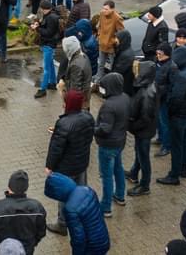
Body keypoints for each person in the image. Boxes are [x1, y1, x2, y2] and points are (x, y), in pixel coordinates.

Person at [45, 89, 94, 235]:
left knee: (64, 195)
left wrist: (49, 166)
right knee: (81, 192)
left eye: (65, 102)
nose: (63, 104)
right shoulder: (88, 118)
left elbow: (56, 148)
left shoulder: (64, 123)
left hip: (66, 169)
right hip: (82, 164)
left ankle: (62, 223)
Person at [158, 46, 186, 186]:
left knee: (176, 146)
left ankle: (174, 175)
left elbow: (176, 98)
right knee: (184, 142)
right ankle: (183, 169)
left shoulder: (182, 76)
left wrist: (170, 110)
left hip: (178, 115)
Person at [0, 171, 47, 255]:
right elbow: (41, 232)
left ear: (9, 186)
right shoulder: (37, 207)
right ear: (26, 188)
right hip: (26, 250)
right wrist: (31, 244)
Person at [44, 172, 110, 255]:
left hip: (91, 247)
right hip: (103, 239)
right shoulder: (87, 190)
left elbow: (78, 239)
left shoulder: (70, 209)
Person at [94, 72, 129, 217]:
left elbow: (105, 129)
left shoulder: (108, 106)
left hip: (108, 145)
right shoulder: (125, 98)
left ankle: (105, 207)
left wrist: (93, 129)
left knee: (107, 176)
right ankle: (120, 195)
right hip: (120, 142)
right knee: (118, 168)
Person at [127, 60, 158, 196]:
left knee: (144, 157)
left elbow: (145, 118)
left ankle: (145, 185)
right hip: (143, 130)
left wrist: (132, 127)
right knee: (139, 152)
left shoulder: (147, 94)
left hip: (143, 131)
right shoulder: (148, 87)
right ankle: (134, 173)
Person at [32, 0, 60, 98]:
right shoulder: (50, 15)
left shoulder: (50, 18)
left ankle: (43, 89)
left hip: (49, 45)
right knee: (50, 64)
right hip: (49, 44)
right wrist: (39, 25)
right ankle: (52, 83)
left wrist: (37, 29)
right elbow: (47, 28)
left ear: (43, 9)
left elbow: (48, 32)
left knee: (46, 68)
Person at [154, 43, 176, 157]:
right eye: (157, 53)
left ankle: (166, 146)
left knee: (164, 123)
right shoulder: (158, 63)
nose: (158, 55)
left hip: (164, 100)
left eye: (160, 54)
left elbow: (172, 86)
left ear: (167, 54)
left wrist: (163, 94)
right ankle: (160, 138)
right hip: (157, 97)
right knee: (158, 120)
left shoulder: (171, 67)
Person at [56, 37, 92, 103]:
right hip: (85, 96)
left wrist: (66, 98)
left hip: (78, 102)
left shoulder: (76, 65)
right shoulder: (84, 56)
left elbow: (75, 90)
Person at [96, 0, 123, 74]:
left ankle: (111, 80)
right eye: (103, 8)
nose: (104, 11)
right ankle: (98, 79)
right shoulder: (102, 14)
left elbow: (121, 33)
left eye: (106, 9)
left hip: (111, 46)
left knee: (112, 66)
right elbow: (99, 26)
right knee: (100, 64)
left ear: (112, 9)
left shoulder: (117, 18)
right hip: (102, 44)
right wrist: (99, 35)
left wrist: (113, 41)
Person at [108, 29, 137, 96]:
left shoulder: (126, 55)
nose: (115, 40)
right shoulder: (124, 49)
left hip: (123, 86)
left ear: (122, 39)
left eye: (117, 38)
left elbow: (118, 71)